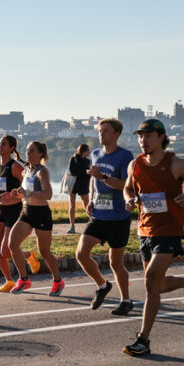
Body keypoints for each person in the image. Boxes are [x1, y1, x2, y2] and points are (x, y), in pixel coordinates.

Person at [122, 119, 184, 357]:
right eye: (140, 136)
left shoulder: (177, 164)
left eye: (148, 136)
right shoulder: (135, 164)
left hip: (169, 229)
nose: (143, 141)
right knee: (157, 285)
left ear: (161, 137)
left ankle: (143, 339)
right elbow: (128, 187)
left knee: (150, 281)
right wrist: (129, 199)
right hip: (145, 230)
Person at [75, 118, 135, 316]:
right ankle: (102, 285)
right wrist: (91, 200)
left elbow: (126, 185)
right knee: (81, 254)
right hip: (99, 215)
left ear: (116, 134)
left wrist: (103, 177)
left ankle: (126, 300)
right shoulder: (95, 154)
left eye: (106, 131)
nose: (101, 134)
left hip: (118, 216)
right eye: (100, 131)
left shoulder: (125, 156)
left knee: (115, 263)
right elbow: (94, 180)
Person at [0, 135, 40, 292]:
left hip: (14, 210)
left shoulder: (15, 167)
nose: (0, 146)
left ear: (11, 149)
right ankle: (9, 281)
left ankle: (28, 255)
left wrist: (14, 194)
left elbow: (28, 186)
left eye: (3, 144)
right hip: (0, 211)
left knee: (6, 250)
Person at [8, 141, 64, 296]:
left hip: (41, 214)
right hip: (26, 212)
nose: (28, 153)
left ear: (41, 154)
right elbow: (25, 193)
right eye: (27, 150)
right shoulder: (26, 171)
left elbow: (48, 194)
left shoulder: (42, 172)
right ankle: (24, 279)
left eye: (32, 151)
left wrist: (27, 193)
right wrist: (17, 193)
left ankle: (58, 281)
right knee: (12, 244)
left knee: (44, 251)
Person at [66, 143, 92, 234]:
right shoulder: (73, 159)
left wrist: (84, 173)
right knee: (72, 206)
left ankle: (92, 224)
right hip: (73, 185)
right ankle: (72, 226)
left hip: (83, 185)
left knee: (87, 206)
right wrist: (85, 172)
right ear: (84, 151)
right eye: (88, 150)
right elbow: (73, 172)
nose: (89, 152)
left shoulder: (88, 161)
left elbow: (89, 174)